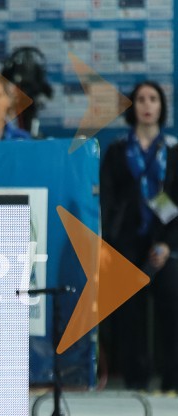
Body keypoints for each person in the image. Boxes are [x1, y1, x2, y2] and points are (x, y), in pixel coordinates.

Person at [100, 80, 178, 393]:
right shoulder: (118, 150)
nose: (147, 105)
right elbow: (106, 200)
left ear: (161, 107)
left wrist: (166, 244)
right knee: (129, 312)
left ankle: (172, 380)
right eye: (141, 99)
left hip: (166, 242)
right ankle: (136, 380)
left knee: (172, 300)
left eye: (153, 99)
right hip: (126, 244)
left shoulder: (173, 151)